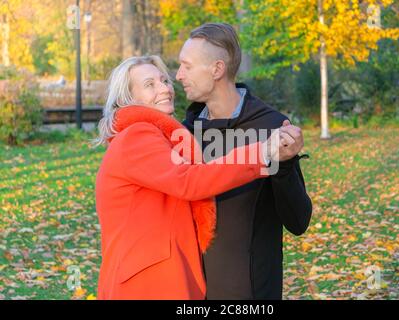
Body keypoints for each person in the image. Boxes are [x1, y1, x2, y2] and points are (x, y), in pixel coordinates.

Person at [93, 55, 295, 299]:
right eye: (150, 85)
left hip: (157, 278)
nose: (165, 89)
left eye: (164, 81)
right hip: (146, 284)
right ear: (128, 99)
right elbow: (188, 181)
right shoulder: (137, 136)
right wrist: (262, 152)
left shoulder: (154, 137)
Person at [177, 23, 313, 299]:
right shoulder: (186, 132)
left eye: (187, 67)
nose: (179, 75)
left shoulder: (271, 128)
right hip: (191, 291)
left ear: (217, 70)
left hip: (250, 292)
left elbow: (298, 221)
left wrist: (283, 165)